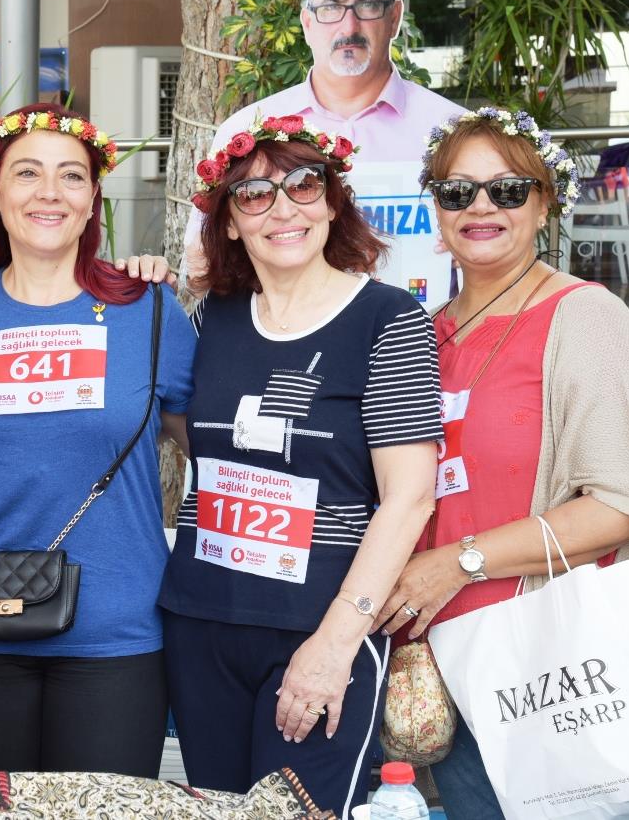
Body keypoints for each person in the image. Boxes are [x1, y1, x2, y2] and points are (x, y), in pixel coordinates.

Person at [159, 116, 440, 819]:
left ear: (334, 202)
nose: (283, 209)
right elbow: (191, 435)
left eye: (304, 186)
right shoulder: (212, 319)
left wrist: (336, 644)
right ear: (228, 224)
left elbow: (409, 498)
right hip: (202, 623)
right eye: (255, 195)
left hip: (319, 626)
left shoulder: (388, 320)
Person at [0, 103, 196, 779]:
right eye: (27, 173)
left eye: (71, 176)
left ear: (93, 198)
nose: (49, 192)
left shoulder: (149, 310)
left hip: (115, 631)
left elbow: (212, 449)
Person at [375, 108, 629, 819]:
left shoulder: (584, 316)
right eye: (458, 192)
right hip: (437, 668)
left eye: (508, 190)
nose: (481, 207)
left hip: (546, 668)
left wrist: (456, 564)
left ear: (545, 203)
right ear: (436, 208)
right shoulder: (421, 332)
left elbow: (618, 504)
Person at [183, 0, 459, 296]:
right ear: (307, 22)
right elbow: (201, 271)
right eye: (331, 8)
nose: (349, 27)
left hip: (428, 326)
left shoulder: (453, 129)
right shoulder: (246, 131)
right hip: (287, 329)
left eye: (369, 5)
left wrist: (477, 249)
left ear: (394, 17)